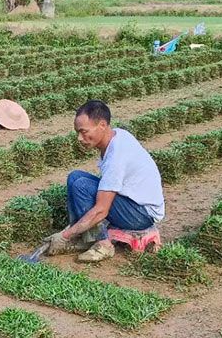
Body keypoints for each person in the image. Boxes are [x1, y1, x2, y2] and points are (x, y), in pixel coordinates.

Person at [46, 100, 165, 263]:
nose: (79, 138)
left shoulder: (116, 157)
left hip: (141, 214)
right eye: (77, 133)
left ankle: (103, 244)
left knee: (82, 185)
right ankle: (84, 236)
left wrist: (64, 236)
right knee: (75, 177)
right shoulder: (117, 135)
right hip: (132, 203)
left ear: (102, 125)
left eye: (83, 131)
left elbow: (102, 210)